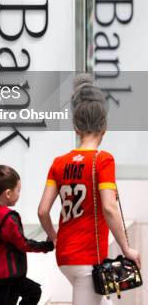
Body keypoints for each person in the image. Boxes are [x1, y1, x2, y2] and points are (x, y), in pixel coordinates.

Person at [38, 73, 141, 305]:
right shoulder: (103, 161)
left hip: (65, 255)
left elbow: (43, 210)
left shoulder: (59, 162)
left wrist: (54, 236)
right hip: (87, 258)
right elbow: (109, 208)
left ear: (76, 128)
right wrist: (127, 249)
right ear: (104, 127)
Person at [0, 165, 54, 305]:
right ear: (8, 193)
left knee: (33, 291)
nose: (19, 194)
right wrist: (47, 246)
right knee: (33, 292)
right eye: (18, 190)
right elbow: (23, 244)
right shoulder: (9, 217)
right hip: (9, 276)